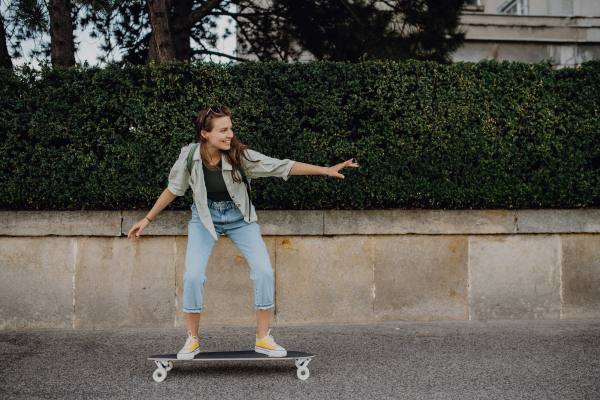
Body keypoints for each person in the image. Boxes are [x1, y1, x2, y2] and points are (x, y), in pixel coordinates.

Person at [127, 106, 358, 359]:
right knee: (192, 276)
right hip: (205, 219)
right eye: (223, 130)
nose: (230, 134)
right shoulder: (189, 156)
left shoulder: (240, 155)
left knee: (264, 272)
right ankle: (192, 339)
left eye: (231, 128)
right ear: (205, 133)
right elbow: (174, 189)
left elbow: (280, 166)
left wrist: (324, 170)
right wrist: (146, 219)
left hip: (241, 220)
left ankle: (263, 339)